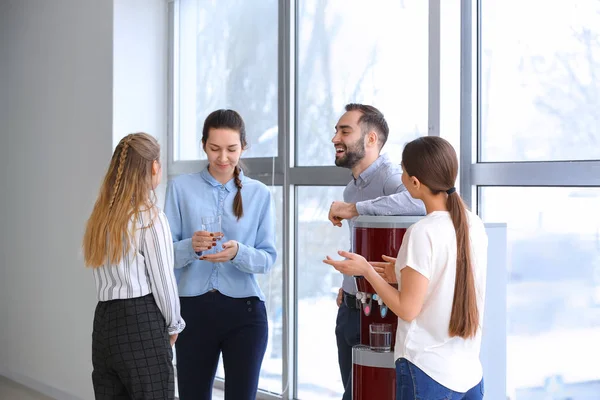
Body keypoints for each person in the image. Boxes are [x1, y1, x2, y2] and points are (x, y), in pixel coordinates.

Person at [324, 136, 488, 400]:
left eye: (403, 171)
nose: (400, 177)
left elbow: (407, 309)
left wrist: (365, 270)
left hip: (426, 372)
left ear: (414, 183)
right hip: (469, 374)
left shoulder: (421, 232)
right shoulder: (473, 224)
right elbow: (445, 281)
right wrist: (400, 274)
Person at [164, 109, 277, 400]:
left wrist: (238, 253)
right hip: (192, 312)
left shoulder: (260, 194)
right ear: (204, 145)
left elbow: (267, 259)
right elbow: (165, 257)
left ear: (244, 147)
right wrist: (192, 246)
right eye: (215, 149)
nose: (223, 158)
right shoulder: (180, 188)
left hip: (246, 313)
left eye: (231, 149)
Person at [328, 103, 425, 400]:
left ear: (371, 139)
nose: (335, 138)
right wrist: (349, 285)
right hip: (350, 309)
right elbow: (361, 245)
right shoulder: (351, 189)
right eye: (336, 131)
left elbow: (418, 202)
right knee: (353, 391)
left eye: (345, 131)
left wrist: (355, 209)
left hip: (379, 313)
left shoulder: (389, 177)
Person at [83, 132, 185, 400]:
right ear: (154, 167)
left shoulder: (102, 217)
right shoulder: (149, 218)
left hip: (104, 323)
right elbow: (163, 280)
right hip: (141, 322)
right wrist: (174, 325)